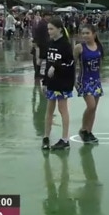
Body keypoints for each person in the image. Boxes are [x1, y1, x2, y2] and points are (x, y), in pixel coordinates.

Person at [42, 18, 75, 150]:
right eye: (48, 29)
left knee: (62, 109)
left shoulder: (65, 45)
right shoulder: (50, 44)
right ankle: (46, 137)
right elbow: (47, 64)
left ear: (59, 29)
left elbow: (70, 64)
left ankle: (65, 139)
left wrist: (56, 67)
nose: (49, 31)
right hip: (51, 82)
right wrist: (44, 81)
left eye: (51, 29)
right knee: (49, 110)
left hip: (62, 82)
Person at [74, 24, 102, 144]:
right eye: (83, 33)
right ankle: (83, 129)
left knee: (94, 108)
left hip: (96, 80)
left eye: (87, 33)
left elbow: (100, 64)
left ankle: (89, 132)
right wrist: (73, 80)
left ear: (94, 34)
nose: (85, 35)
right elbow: (72, 64)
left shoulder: (99, 46)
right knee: (90, 106)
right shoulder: (79, 47)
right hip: (84, 80)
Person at [32, 11, 51, 80]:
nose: (50, 17)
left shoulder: (43, 23)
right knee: (40, 59)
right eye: (48, 15)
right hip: (42, 44)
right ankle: (38, 74)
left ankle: (38, 73)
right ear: (45, 16)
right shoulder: (43, 23)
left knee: (41, 59)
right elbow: (41, 34)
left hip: (41, 44)